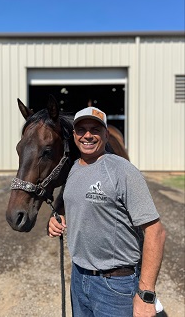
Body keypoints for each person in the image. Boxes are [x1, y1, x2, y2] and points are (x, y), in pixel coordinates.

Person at [48, 106, 166, 317]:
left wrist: (146, 294)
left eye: (95, 129)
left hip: (115, 285)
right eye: (81, 130)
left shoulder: (123, 171)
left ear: (106, 134)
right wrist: (57, 219)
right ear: (74, 135)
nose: (87, 135)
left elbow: (156, 232)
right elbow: (77, 205)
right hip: (79, 277)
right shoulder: (74, 169)